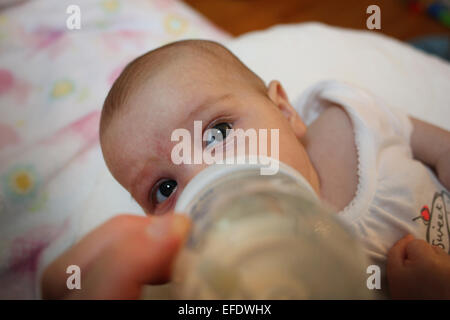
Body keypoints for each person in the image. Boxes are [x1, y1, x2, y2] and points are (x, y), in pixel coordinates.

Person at [42, 40, 450, 299]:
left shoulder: (350, 124)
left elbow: (432, 142)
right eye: (165, 189)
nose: (204, 178)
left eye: (217, 133)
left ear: (285, 111)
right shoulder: (236, 275)